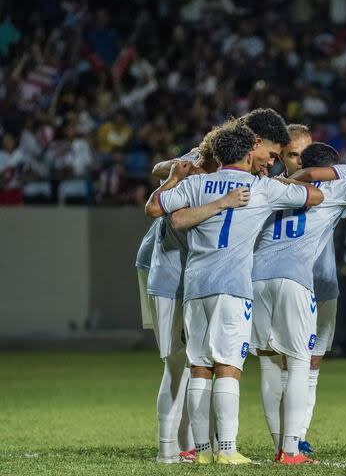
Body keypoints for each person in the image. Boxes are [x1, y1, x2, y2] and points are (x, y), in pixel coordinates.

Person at [145, 113, 323, 465]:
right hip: (233, 288)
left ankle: (203, 450)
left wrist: (173, 181)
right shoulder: (261, 189)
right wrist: (283, 183)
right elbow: (313, 197)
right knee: (228, 367)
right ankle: (227, 451)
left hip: (195, 286)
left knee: (199, 367)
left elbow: (156, 208)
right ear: (248, 152)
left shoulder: (198, 184)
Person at [252, 141, 346, 464]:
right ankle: (291, 448)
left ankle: (279, 443)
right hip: (294, 280)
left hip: (256, 277)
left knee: (267, 361)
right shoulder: (336, 189)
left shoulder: (277, 186)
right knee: (299, 362)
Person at [134, 126, 224, 463]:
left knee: (198, 364)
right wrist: (175, 176)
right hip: (171, 282)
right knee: (178, 367)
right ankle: (167, 449)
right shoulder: (191, 177)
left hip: (195, 283)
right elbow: (155, 207)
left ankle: (191, 445)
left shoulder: (207, 179)